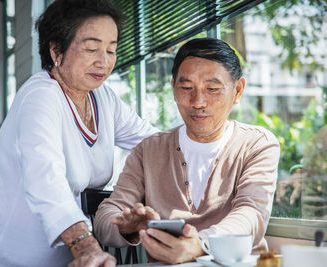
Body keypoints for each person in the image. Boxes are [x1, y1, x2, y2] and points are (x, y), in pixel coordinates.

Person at [0, 1, 157, 266]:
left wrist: (219, 140)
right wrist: (86, 245)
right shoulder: (40, 97)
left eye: (111, 50)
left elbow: (155, 143)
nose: (104, 61)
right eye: (91, 48)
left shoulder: (103, 99)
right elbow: (46, 178)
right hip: (2, 259)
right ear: (56, 50)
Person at [94, 37, 281, 265]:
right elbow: (108, 215)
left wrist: (200, 244)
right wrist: (126, 227)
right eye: (186, 88)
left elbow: (251, 214)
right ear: (173, 88)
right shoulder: (149, 150)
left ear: (238, 90)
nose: (198, 101)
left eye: (212, 89)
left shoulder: (257, 144)